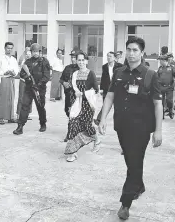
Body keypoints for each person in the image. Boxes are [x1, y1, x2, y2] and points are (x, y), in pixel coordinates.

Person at [98, 37, 163, 220]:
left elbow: (158, 104)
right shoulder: (119, 72)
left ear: (142, 53)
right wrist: (102, 119)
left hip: (142, 128)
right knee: (131, 159)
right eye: (129, 49)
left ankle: (125, 203)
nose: (131, 53)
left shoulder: (151, 74)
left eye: (135, 50)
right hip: (122, 126)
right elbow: (109, 96)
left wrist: (158, 130)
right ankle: (139, 185)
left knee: (134, 162)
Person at [64, 52, 101, 161]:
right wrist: (71, 105)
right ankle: (73, 152)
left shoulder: (91, 73)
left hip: (88, 104)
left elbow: (96, 90)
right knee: (73, 124)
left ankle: (97, 140)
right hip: (77, 104)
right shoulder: (74, 74)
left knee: (87, 126)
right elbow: (72, 91)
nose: (80, 62)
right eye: (78, 60)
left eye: (82, 60)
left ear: (86, 61)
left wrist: (83, 94)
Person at [13, 43, 51, 135]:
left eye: (37, 51)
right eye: (34, 51)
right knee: (25, 106)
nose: (35, 53)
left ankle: (43, 123)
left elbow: (46, 76)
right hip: (29, 88)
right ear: (31, 52)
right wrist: (28, 77)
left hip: (40, 89)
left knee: (40, 106)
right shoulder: (28, 62)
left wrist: (39, 85)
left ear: (40, 52)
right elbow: (22, 73)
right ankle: (20, 126)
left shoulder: (44, 61)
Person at [94, 51, 122, 125]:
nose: (108, 58)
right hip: (107, 88)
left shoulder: (120, 66)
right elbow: (103, 77)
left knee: (118, 105)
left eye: (110, 56)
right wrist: (102, 89)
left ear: (114, 58)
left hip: (117, 89)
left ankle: (119, 120)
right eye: (108, 56)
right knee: (105, 104)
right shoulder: (104, 66)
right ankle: (99, 119)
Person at [0, 42, 19, 125]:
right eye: (8, 48)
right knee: (3, 98)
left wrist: (14, 72)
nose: (10, 49)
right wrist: (4, 72)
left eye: (11, 48)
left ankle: (10, 117)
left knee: (11, 98)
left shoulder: (13, 59)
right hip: (4, 79)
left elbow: (16, 69)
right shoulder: (1, 58)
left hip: (12, 79)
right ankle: (1, 117)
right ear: (5, 48)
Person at [60, 50, 80, 118]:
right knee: (67, 110)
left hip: (77, 95)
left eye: (74, 57)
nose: (73, 59)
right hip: (68, 93)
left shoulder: (81, 68)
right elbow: (61, 79)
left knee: (76, 111)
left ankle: (74, 126)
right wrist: (64, 83)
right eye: (72, 57)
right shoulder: (67, 67)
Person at [157, 55, 175, 119]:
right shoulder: (160, 68)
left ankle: (171, 111)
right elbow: (157, 76)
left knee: (169, 101)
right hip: (161, 87)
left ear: (164, 61)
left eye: (160, 60)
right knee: (161, 101)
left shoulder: (172, 67)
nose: (160, 62)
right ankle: (162, 115)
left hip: (169, 87)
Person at [16, 50, 32, 119]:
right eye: (27, 54)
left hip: (30, 82)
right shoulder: (23, 63)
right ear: (24, 55)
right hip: (23, 81)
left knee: (29, 98)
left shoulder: (33, 63)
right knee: (21, 98)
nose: (28, 55)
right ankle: (19, 114)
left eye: (29, 54)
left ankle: (26, 113)